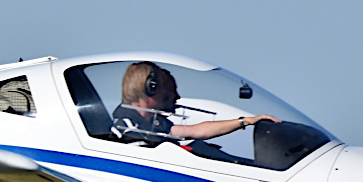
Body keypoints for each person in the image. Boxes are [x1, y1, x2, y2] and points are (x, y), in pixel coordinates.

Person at [111, 62, 279, 146]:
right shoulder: (125, 126)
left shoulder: (155, 124)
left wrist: (244, 121)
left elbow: (196, 131)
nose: (176, 96)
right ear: (151, 88)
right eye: (170, 90)